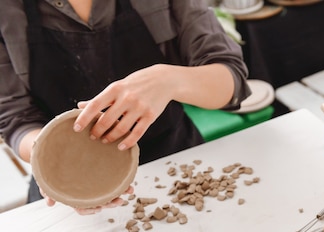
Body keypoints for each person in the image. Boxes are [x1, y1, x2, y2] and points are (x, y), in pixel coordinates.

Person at [0, 0, 251, 214]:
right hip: (67, 188)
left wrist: (168, 80)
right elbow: (15, 118)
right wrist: (52, 163)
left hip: (178, 171)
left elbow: (231, 80)